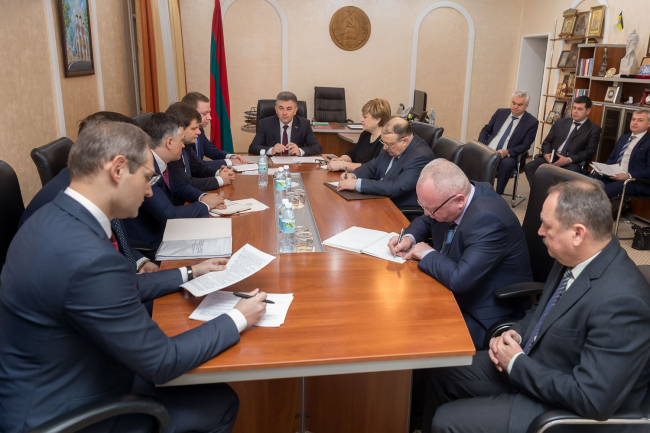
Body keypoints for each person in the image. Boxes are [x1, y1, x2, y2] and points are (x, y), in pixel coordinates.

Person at [0, 122, 269, 433]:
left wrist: (190, 271)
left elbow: (112, 288)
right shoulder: (89, 257)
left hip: (56, 377)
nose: (150, 190)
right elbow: (163, 362)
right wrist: (238, 317)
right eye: (146, 177)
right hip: (66, 412)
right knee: (220, 402)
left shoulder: (52, 216)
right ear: (117, 169)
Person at [421, 180, 650, 433]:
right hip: (536, 365)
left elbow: (591, 399)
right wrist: (517, 332)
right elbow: (545, 309)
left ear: (577, 233)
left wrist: (516, 363)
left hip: (562, 408)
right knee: (442, 371)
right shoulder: (573, 256)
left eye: (547, 226)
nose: (540, 231)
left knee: (447, 421)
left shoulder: (622, 302)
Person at [388, 158, 531, 348]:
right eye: (424, 206)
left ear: (459, 201)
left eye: (431, 209)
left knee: (413, 337)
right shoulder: (452, 197)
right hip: (451, 290)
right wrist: (409, 237)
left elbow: (459, 280)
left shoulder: (488, 219)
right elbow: (426, 220)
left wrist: (427, 253)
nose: (427, 213)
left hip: (482, 310)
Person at [18, 111, 160, 273]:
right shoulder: (64, 213)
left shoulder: (94, 189)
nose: (149, 191)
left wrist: (139, 261)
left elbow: (116, 236)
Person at [123, 113, 225, 250]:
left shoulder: (163, 161)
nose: (183, 146)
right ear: (169, 142)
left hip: (169, 231)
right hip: (154, 243)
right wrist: (205, 205)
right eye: (181, 141)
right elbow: (169, 214)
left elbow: (180, 186)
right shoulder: (146, 168)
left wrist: (203, 196)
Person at [336, 117, 435, 207]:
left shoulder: (420, 156)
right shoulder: (391, 145)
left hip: (396, 207)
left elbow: (396, 187)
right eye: (383, 142)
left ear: (404, 141)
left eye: (388, 144)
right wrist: (354, 175)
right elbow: (373, 166)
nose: (384, 147)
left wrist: (357, 184)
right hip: (378, 198)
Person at [524, 96, 601, 187]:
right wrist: (546, 154)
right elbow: (547, 142)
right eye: (574, 108)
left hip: (571, 162)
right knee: (530, 167)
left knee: (567, 177)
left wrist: (568, 159)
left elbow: (589, 152)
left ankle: (551, 193)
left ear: (588, 111)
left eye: (580, 109)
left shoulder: (594, 129)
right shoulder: (560, 122)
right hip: (552, 158)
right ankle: (541, 192)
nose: (575, 111)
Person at [478, 91, 538, 195]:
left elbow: (526, 145)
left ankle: (497, 195)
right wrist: (481, 145)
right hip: (488, 150)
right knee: (470, 155)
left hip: (508, 156)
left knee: (507, 164)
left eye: (519, 104)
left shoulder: (531, 122)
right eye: (513, 103)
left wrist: (508, 151)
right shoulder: (500, 113)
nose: (515, 107)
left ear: (526, 106)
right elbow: (486, 129)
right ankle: (475, 189)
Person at [166, 102, 235, 192]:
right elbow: (185, 183)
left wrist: (219, 172)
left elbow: (197, 167)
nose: (199, 132)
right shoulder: (171, 152)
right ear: (180, 128)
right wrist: (220, 180)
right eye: (193, 128)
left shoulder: (186, 144)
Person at [591, 108, 650, 198]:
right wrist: (606, 170)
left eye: (640, 120)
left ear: (648, 124)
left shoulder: (648, 142)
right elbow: (612, 158)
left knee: (603, 191)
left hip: (634, 182)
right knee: (586, 182)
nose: (635, 122)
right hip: (614, 177)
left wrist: (628, 175)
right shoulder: (623, 138)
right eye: (633, 119)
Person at [180, 91, 247, 168]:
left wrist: (231, 157)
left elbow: (211, 150)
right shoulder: (184, 136)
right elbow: (195, 166)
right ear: (190, 113)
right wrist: (230, 162)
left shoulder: (200, 129)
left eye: (209, 113)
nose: (210, 117)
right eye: (204, 114)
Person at [248, 91, 322, 156]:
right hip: (273, 165)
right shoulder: (266, 123)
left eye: (289, 109)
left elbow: (317, 147)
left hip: (295, 165)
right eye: (281, 108)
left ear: (295, 110)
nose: (284, 113)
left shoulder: (304, 124)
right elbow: (253, 148)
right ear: (276, 109)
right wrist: (271, 150)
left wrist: (300, 151)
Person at [327, 98, 391, 171]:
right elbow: (353, 153)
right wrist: (340, 160)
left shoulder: (384, 141)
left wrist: (343, 165)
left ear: (377, 120)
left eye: (365, 117)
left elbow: (372, 167)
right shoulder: (366, 134)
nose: (361, 119)